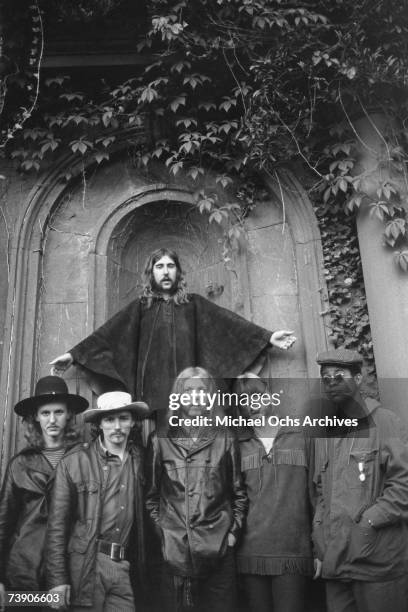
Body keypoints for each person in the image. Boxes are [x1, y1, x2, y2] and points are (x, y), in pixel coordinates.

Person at [49, 248, 296, 418]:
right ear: (151, 273)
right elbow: (107, 337)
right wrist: (73, 355)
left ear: (178, 272)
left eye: (170, 266)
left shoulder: (195, 304)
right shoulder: (139, 308)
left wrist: (267, 337)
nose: (165, 271)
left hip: (191, 400)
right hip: (150, 400)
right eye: (159, 266)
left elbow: (231, 328)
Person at [312, 348, 408, 612]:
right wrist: (319, 539)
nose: (331, 382)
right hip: (336, 561)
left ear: (358, 378)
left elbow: (403, 486)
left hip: (376, 563)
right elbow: (321, 490)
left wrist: (368, 523)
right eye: (326, 377)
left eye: (339, 375)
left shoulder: (385, 422)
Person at [145, 367, 248, 612]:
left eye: (201, 390)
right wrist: (165, 534)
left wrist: (231, 534)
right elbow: (150, 497)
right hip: (175, 553)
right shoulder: (160, 439)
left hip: (218, 550)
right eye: (188, 390)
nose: (194, 396)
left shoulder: (225, 437)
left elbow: (239, 495)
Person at [46, 391, 150, 611]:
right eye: (109, 419)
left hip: (125, 566)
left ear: (132, 421)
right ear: (99, 424)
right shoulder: (75, 462)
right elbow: (57, 526)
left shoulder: (142, 459)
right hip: (88, 565)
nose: (117, 426)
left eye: (123, 418)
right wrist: (56, 580)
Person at [0, 376, 88, 611]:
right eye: (45, 413)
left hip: (68, 573)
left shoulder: (83, 459)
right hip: (22, 573)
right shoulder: (20, 464)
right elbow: (3, 524)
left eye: (58, 412)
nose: (52, 420)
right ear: (36, 417)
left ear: (69, 415)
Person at [235, 374, 314, 612]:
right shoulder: (239, 445)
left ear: (270, 397)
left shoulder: (300, 436)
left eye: (256, 397)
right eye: (244, 401)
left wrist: (320, 546)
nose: (252, 405)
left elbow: (316, 493)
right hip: (251, 554)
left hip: (293, 551)